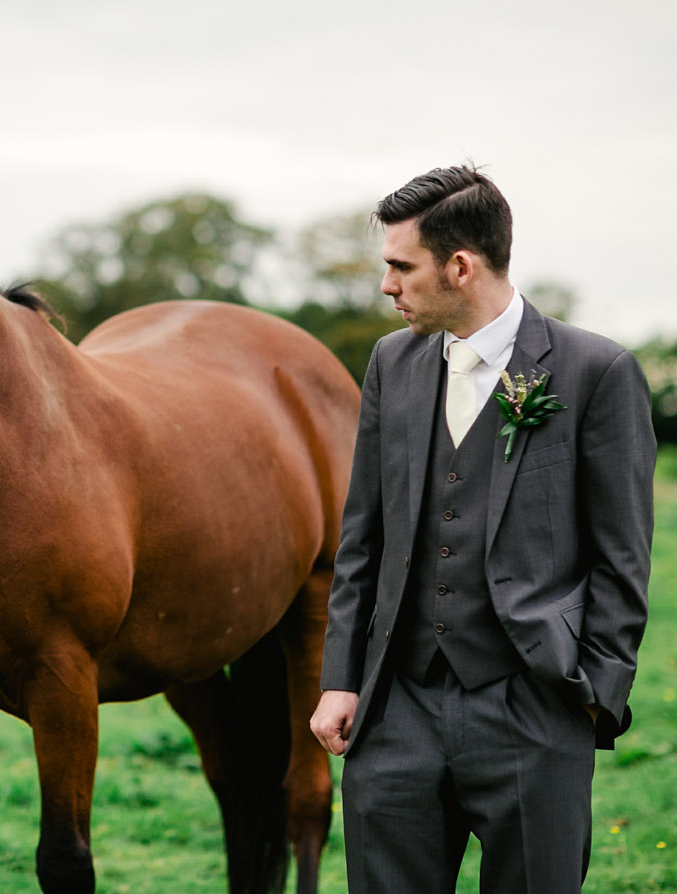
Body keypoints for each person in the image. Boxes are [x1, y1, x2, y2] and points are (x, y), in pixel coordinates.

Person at [309, 166, 654, 893]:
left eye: (401, 266)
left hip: (535, 706)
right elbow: (362, 537)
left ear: (459, 266)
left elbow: (622, 555)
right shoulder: (390, 363)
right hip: (394, 709)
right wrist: (342, 681)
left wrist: (593, 694)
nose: (386, 286)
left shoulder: (596, 371)